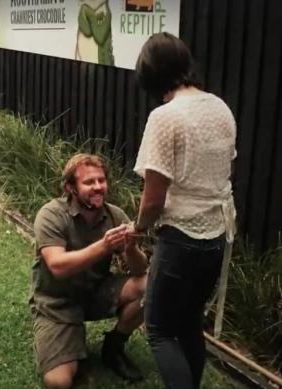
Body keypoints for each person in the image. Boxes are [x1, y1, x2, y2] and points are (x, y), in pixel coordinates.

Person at [128, 32, 237, 389]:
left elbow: (155, 197)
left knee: (159, 329)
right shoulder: (220, 107)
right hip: (217, 237)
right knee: (190, 323)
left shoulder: (166, 117)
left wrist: (139, 228)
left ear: (150, 74)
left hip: (180, 239)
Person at [31, 153, 148, 388]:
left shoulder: (114, 215)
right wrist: (104, 245)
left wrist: (132, 248)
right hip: (57, 303)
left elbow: (139, 270)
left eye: (101, 180)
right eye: (88, 182)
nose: (98, 187)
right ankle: (65, 337)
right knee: (58, 382)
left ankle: (114, 347)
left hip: (96, 293)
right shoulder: (51, 215)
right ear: (70, 187)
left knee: (149, 285)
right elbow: (58, 266)